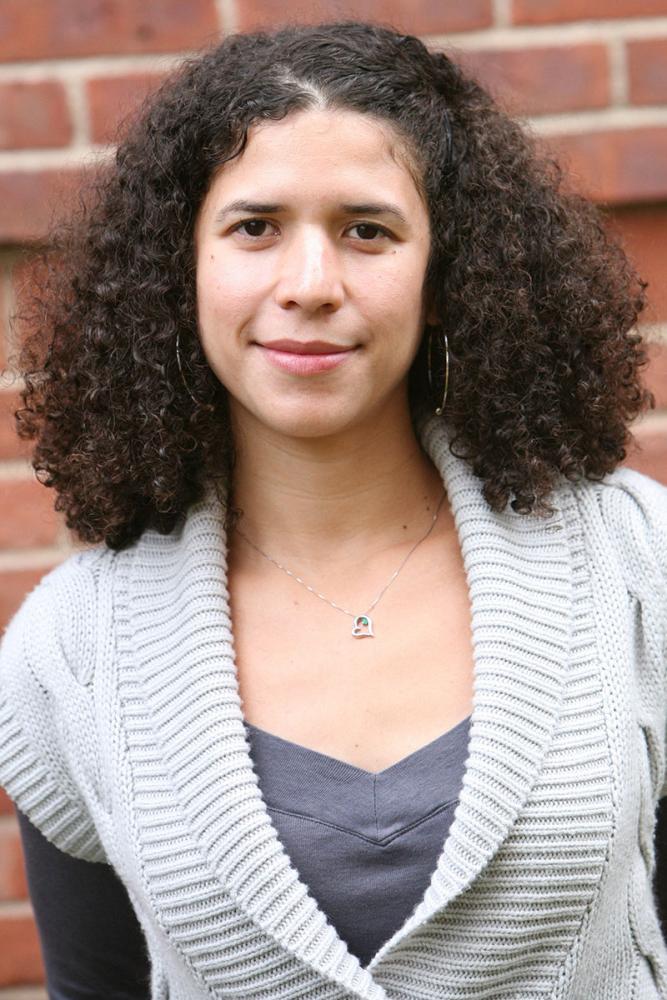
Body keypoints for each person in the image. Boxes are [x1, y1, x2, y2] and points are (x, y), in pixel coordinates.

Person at [1, 18, 666, 1000]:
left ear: (443, 276)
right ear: (181, 271)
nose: (309, 286)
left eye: (367, 229)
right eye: (254, 227)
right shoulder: (72, 648)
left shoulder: (633, 564)